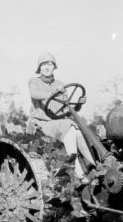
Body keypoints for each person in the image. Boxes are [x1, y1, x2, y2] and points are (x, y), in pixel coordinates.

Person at [27, 52, 96, 180]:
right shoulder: (34, 81)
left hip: (57, 123)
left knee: (78, 131)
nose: (47, 67)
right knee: (68, 126)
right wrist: (52, 92)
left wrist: (79, 105)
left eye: (50, 64)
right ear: (39, 68)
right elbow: (35, 94)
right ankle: (78, 171)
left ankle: (95, 165)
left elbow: (65, 109)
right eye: (44, 65)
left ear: (54, 67)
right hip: (41, 124)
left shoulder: (60, 83)